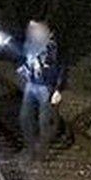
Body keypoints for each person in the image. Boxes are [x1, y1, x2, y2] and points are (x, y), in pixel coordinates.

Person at [17, 20, 65, 159]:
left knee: (45, 120)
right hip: (32, 84)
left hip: (46, 86)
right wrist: (25, 69)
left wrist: (58, 89)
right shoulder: (31, 44)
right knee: (25, 117)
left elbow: (62, 67)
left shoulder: (54, 46)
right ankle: (31, 148)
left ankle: (42, 151)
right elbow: (27, 60)